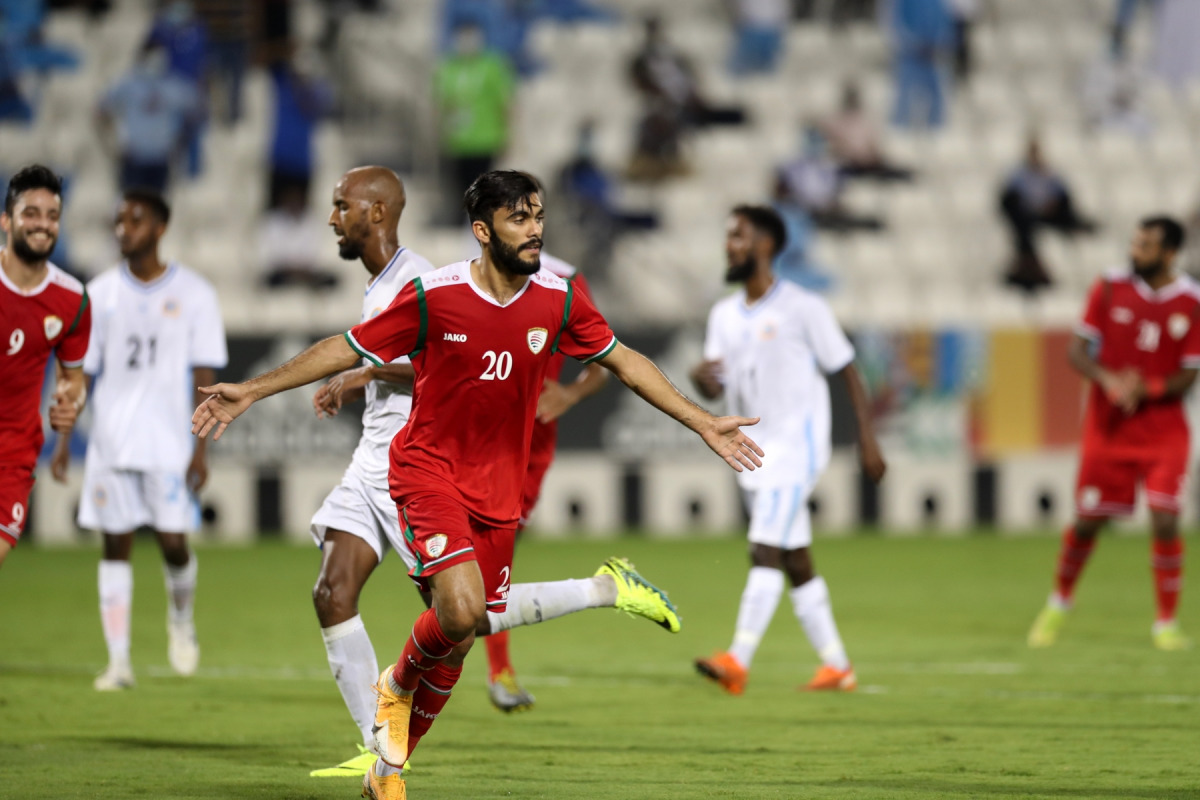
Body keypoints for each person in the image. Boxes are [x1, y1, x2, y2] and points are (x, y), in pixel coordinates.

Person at [192, 170, 763, 800]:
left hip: (498, 489)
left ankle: (386, 773)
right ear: (482, 230)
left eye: (539, 216)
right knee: (457, 611)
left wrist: (704, 423)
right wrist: (251, 389)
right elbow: (344, 348)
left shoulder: (558, 299)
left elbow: (625, 362)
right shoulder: (435, 296)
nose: (535, 229)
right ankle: (396, 687)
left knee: (464, 635)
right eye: (520, 219)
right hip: (426, 469)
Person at [300, 168, 680, 778]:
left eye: (341, 205)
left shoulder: (423, 280)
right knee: (334, 592)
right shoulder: (394, 286)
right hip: (387, 466)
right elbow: (373, 347)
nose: (331, 217)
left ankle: (603, 589)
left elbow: (449, 356)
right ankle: (379, 746)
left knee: (466, 616)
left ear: (376, 212)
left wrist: (369, 372)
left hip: (448, 461)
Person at [691, 205, 886, 695]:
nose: (728, 244)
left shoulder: (804, 307)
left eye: (737, 235)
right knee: (796, 559)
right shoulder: (723, 316)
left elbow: (848, 369)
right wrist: (701, 380)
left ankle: (738, 658)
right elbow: (717, 390)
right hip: (750, 454)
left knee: (764, 549)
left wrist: (867, 437)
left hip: (795, 451)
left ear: (765, 245)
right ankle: (837, 666)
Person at [57, 189, 227, 691]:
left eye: (134, 220)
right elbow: (80, 373)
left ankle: (181, 620)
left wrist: (201, 449)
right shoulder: (100, 291)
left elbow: (205, 375)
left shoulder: (194, 293)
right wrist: (66, 438)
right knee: (114, 545)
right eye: (118, 221)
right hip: (110, 442)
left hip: (169, 445)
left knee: (174, 545)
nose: (122, 229)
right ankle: (119, 662)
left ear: (159, 227)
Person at [1027, 217, 1199, 652]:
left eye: (1145, 245)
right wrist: (1106, 379)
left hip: (1164, 432)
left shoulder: (1191, 301)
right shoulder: (1108, 287)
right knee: (1087, 522)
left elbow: (1189, 374)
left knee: (1164, 518)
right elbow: (1077, 350)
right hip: (1109, 429)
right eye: (1135, 242)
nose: (1134, 250)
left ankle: (1165, 623)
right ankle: (1058, 602)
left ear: (1169, 254)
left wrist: (1147, 388)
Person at [0, 165, 91, 570]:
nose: (42, 225)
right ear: (6, 220)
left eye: (51, 216)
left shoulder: (71, 300)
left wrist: (71, 403)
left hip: (12, 457)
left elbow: (73, 379)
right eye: (30, 213)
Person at [433, 21, 515, 224]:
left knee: (483, 190)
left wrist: (509, 134)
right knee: (458, 190)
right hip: (457, 141)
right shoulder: (448, 67)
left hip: (486, 138)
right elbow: (441, 104)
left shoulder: (493, 66)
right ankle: (461, 226)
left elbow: (505, 103)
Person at [97, 42, 203, 193]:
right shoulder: (128, 85)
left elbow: (195, 108)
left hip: (161, 159)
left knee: (156, 207)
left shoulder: (172, 85)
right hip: (134, 159)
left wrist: (182, 140)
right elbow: (101, 110)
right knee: (132, 206)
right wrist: (110, 144)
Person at [999, 136, 1096, 293]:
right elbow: (1010, 199)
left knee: (1069, 218)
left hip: (1048, 215)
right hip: (1027, 217)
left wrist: (1052, 205)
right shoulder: (1018, 175)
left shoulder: (1050, 174)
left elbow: (1063, 196)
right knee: (1023, 227)